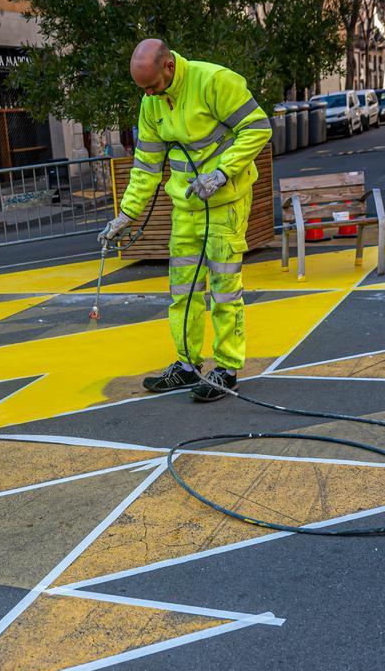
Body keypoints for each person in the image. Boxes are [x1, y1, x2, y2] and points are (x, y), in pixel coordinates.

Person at [99, 39, 272, 402]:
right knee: (183, 291)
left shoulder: (214, 82)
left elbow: (258, 128)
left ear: (169, 67)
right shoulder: (152, 103)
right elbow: (146, 165)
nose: (147, 95)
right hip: (186, 207)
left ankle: (226, 367)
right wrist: (126, 214)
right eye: (142, 90)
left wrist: (222, 173)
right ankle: (187, 364)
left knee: (224, 291)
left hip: (226, 203)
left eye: (152, 86)